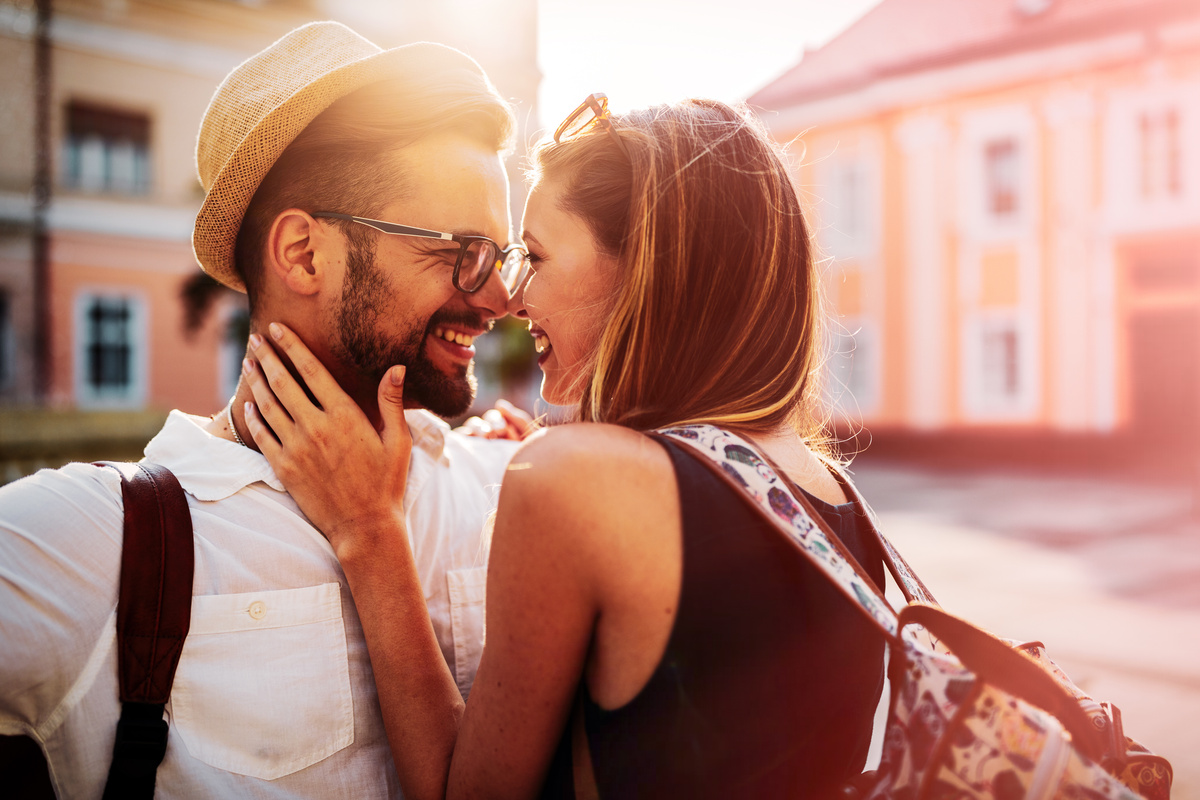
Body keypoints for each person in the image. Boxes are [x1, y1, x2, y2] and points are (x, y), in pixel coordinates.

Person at [242, 95, 888, 798]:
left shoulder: (572, 481)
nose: (511, 302)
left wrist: (368, 528)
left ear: (645, 268)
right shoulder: (832, 492)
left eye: (536, 257)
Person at [0, 21, 529, 798]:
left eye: (504, 257)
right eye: (465, 254)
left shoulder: (511, 490)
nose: (502, 299)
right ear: (303, 254)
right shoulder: (100, 538)